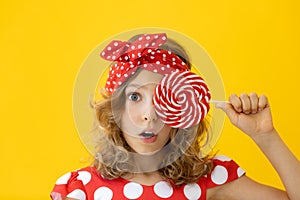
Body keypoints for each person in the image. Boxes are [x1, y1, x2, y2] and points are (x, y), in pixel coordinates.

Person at [51, 33, 300, 200]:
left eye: (164, 97)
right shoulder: (80, 188)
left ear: (184, 109)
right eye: (135, 97)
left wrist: (265, 135)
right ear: (115, 109)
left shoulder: (209, 178)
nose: (149, 116)